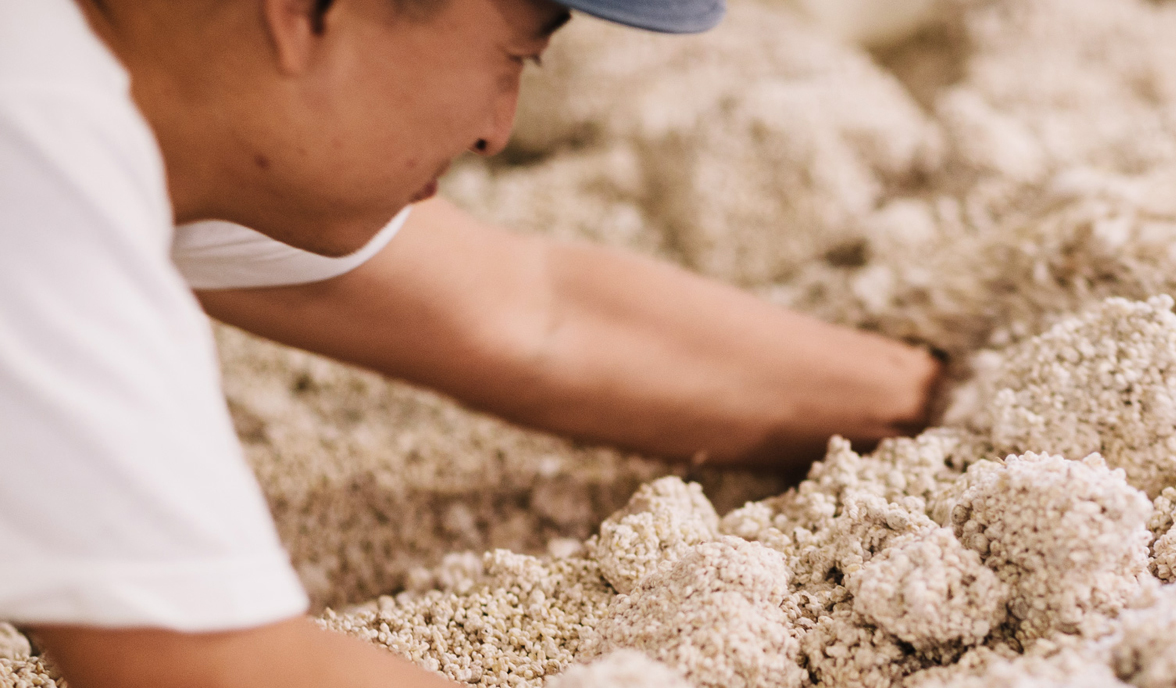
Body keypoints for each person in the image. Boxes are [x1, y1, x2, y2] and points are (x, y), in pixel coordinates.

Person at [0, 0, 944, 685]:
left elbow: (532, 315)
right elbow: (216, 669)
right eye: (516, 55)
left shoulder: (136, 91)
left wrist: (933, 399)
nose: (498, 131)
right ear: (306, 13)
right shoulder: (37, 159)